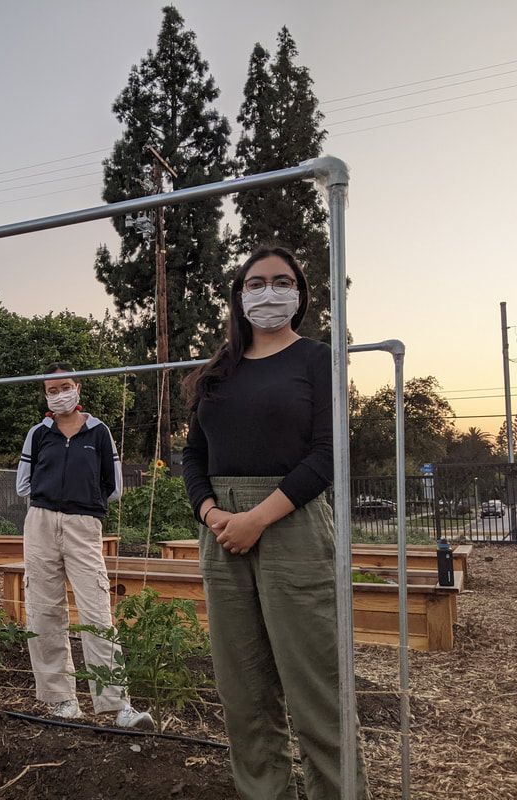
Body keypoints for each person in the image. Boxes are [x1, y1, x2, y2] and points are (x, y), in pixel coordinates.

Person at [182, 245, 368, 799]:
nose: (268, 291)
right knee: (243, 690)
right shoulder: (219, 370)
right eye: (256, 282)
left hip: (291, 521)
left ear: (300, 294)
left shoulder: (317, 358)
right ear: (239, 296)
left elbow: (327, 454)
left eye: (281, 281)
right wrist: (213, 512)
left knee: (317, 686)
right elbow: (194, 456)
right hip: (221, 529)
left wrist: (257, 518)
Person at [16, 362, 153, 729]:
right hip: (41, 522)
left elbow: (114, 485)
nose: (59, 394)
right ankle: (61, 699)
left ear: (77, 388)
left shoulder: (99, 432)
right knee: (44, 609)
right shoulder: (38, 434)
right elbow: (23, 484)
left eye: (65, 387)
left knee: (95, 608)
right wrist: (51, 505)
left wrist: (83, 504)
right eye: (51, 390)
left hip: (83, 524)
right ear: (45, 395)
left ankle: (115, 703)